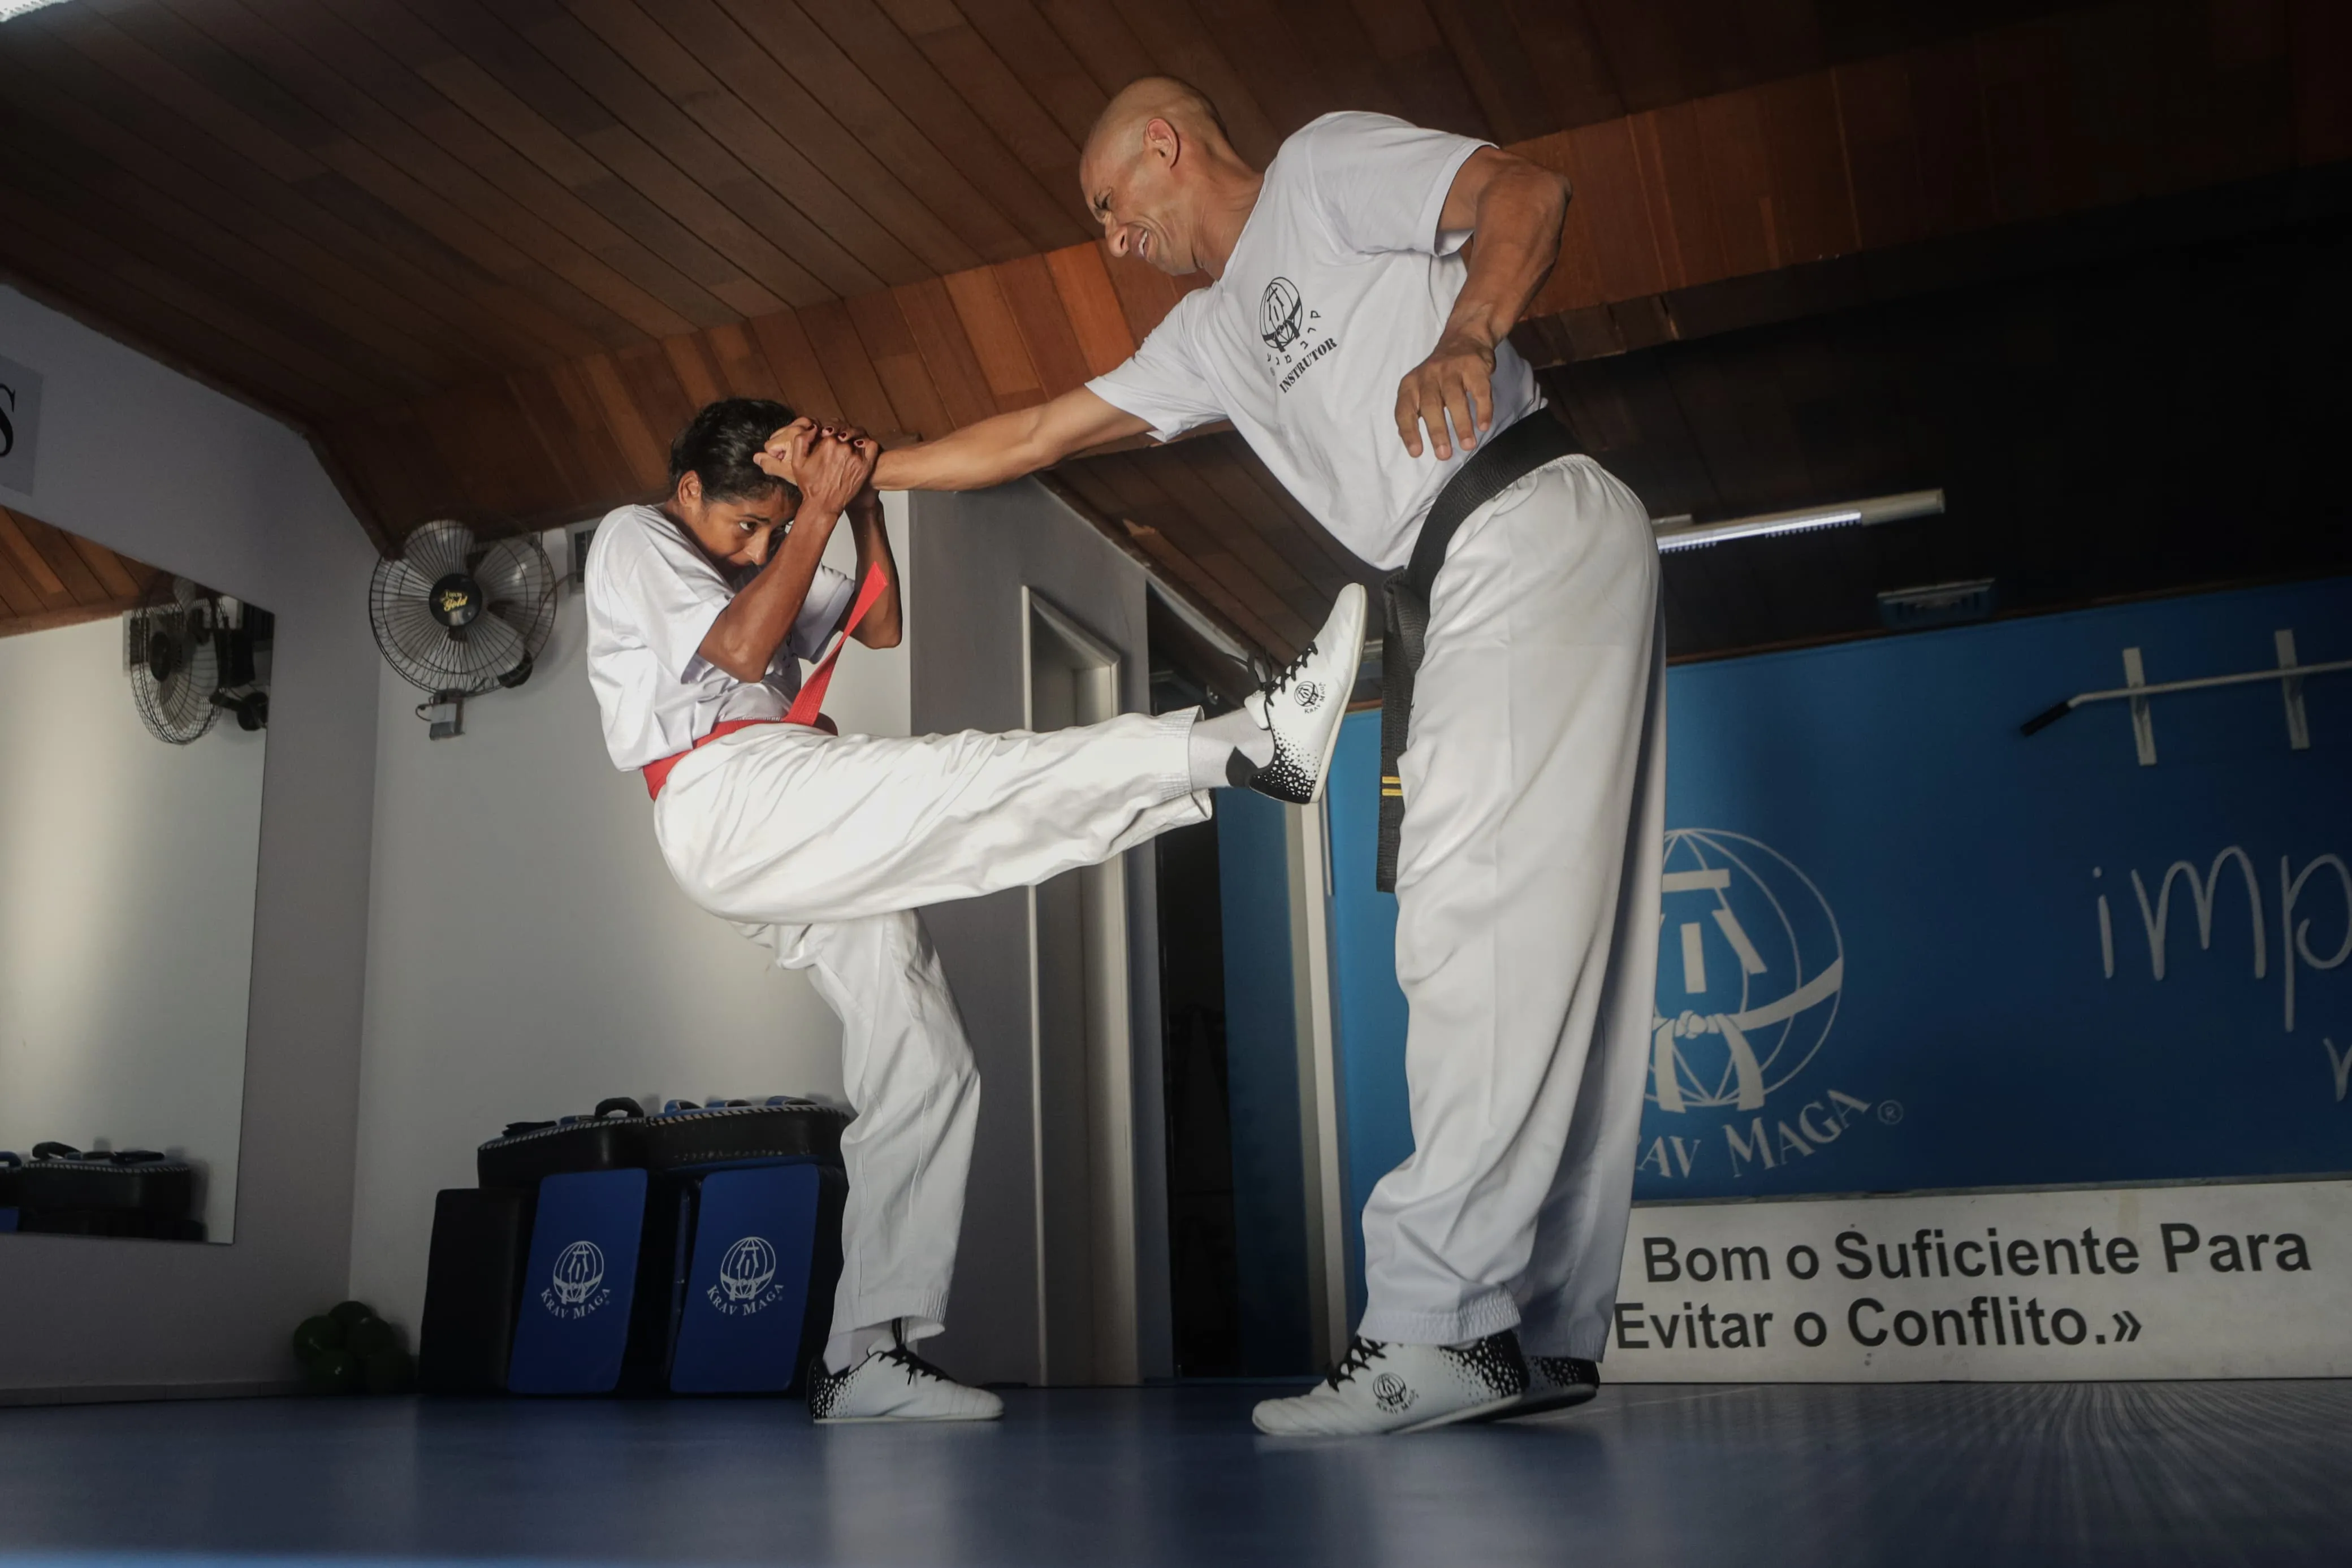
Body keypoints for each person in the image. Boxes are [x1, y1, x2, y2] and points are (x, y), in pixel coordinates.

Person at [869, 79, 1666, 1436]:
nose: (1112, 241)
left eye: (1110, 209)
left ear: (1164, 145)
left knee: (1471, 916)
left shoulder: (1321, 170)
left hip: (1517, 513)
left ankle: (1439, 1325)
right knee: (1549, 930)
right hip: (1478, 558)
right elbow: (1039, 432)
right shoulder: (1210, 337)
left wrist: (1469, 329)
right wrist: (862, 470)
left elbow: (1528, 193)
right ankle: (1532, 1327)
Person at [582, 397, 1367, 1423]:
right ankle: (1238, 743)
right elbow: (736, 651)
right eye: (745, 526)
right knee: (969, 780)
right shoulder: (635, 536)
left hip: (782, 816)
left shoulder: (778, 546)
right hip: (727, 797)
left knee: (925, 1055)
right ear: (690, 491)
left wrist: (856, 504)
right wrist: (814, 512)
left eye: (773, 527)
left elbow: (882, 621)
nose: (760, 545)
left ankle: (865, 1353)